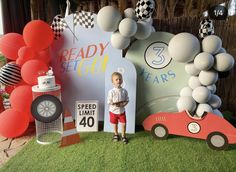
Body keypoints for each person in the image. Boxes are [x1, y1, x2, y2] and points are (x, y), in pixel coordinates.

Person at [107, 72, 129, 144]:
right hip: (113, 111)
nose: (118, 81)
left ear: (122, 80)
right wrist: (114, 104)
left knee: (124, 124)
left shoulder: (124, 91)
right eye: (116, 79)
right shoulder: (111, 92)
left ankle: (123, 135)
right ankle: (116, 134)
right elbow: (109, 101)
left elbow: (127, 99)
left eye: (120, 79)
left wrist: (124, 104)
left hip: (122, 111)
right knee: (115, 124)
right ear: (113, 82)